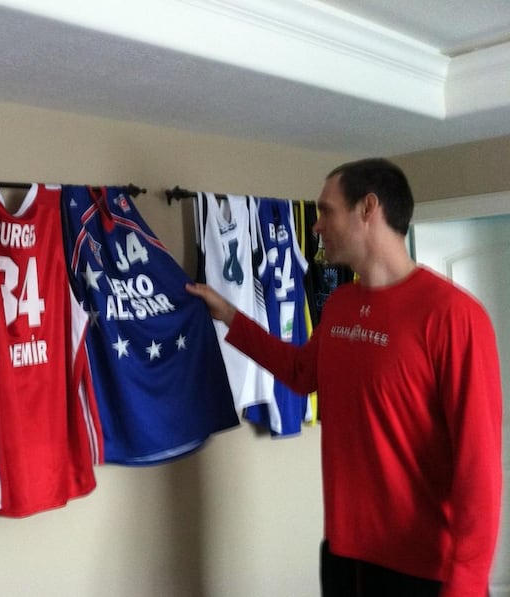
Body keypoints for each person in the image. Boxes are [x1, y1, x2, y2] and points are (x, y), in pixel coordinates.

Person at [186, 158, 503, 597]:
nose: (316, 226)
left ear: (367, 208)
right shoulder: (340, 304)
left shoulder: (453, 315)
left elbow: (478, 466)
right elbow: (301, 373)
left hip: (423, 567)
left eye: (326, 211)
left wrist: (466, 583)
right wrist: (229, 316)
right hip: (343, 554)